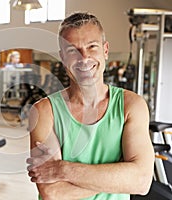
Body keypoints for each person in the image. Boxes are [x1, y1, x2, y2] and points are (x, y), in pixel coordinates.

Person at [26, 12, 154, 200]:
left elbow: (141, 182)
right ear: (62, 58)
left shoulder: (131, 106)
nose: (84, 58)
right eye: (72, 50)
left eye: (92, 47)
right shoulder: (43, 112)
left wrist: (62, 169)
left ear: (105, 50)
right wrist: (119, 176)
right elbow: (53, 193)